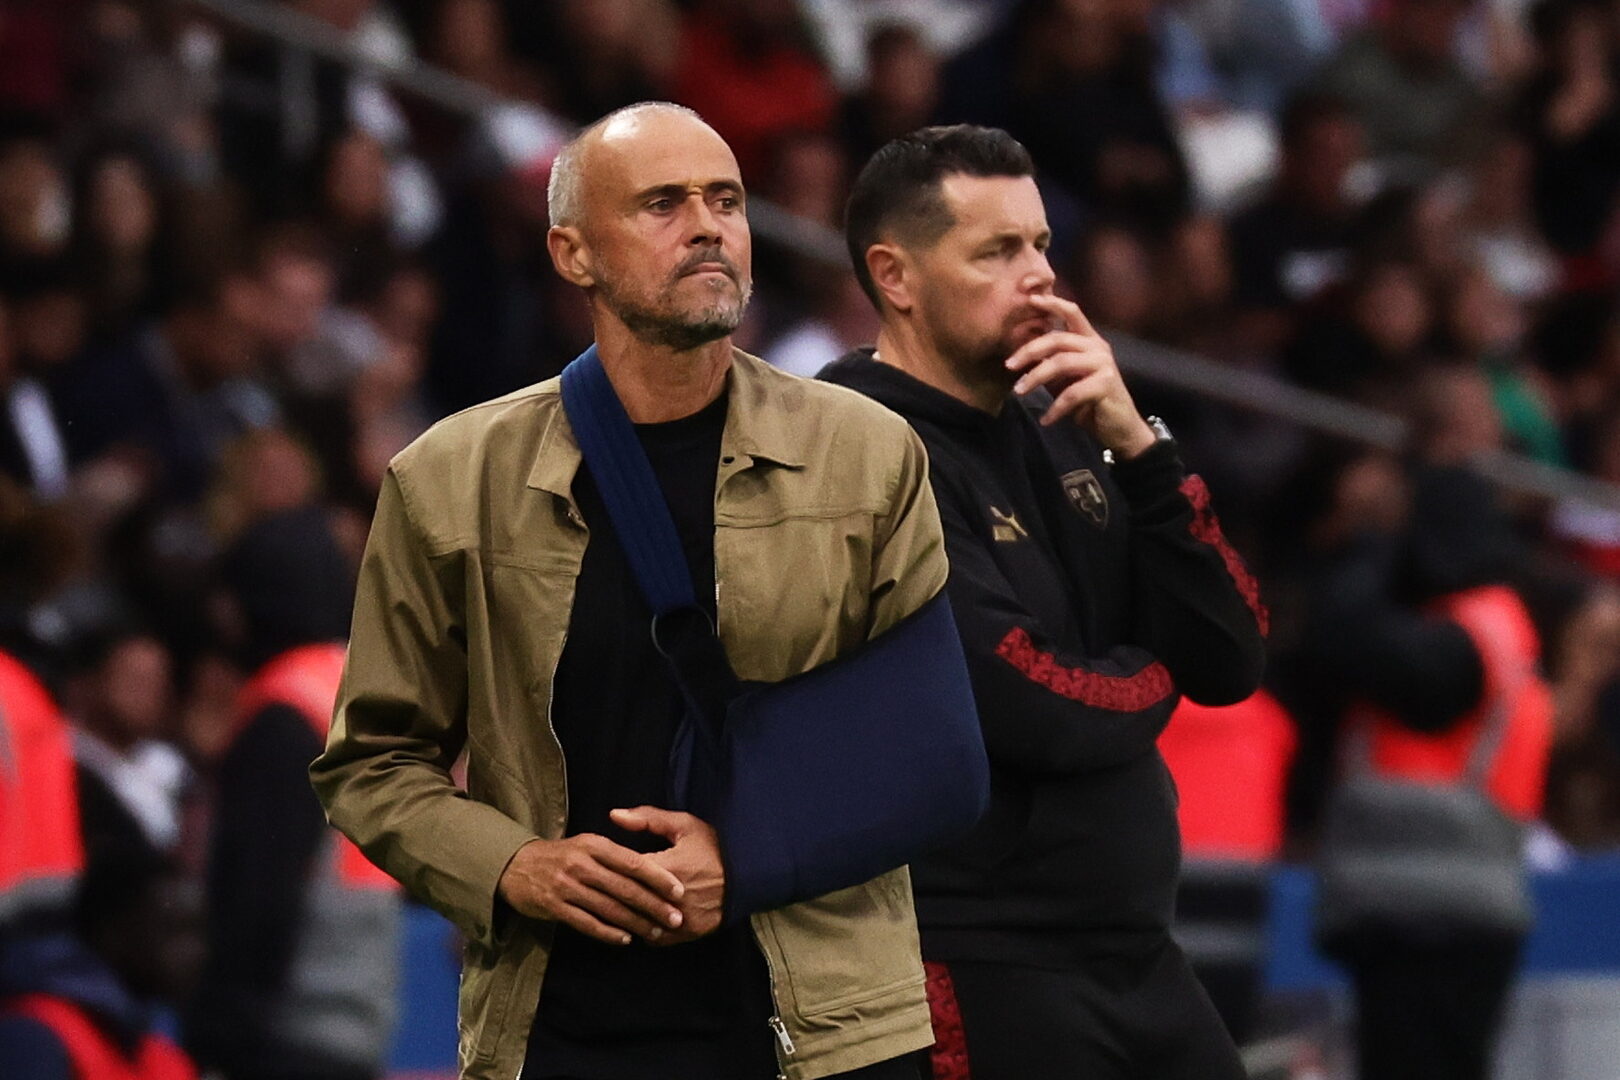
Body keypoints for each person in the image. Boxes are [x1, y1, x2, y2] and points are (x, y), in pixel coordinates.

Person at [311, 102, 958, 1080]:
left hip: (830, 1032)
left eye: (726, 201)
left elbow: (934, 751)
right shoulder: (450, 478)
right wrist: (514, 866)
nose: (708, 227)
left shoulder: (867, 455)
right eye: (663, 204)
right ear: (572, 254)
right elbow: (373, 763)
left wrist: (747, 857)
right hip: (562, 1031)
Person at [822, 125, 1269, 1079]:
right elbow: (1024, 698)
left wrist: (1141, 448)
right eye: (996, 252)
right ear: (895, 277)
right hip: (977, 952)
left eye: (1041, 244)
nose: (1039, 277)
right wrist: (1158, 674)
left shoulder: (1067, 421)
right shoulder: (860, 449)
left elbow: (1231, 655)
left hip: (1135, 946)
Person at [185, 505, 400, 1080]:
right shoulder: (353, 690)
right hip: (356, 1014)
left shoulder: (284, 712)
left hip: (284, 1028)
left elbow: (259, 889)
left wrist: (220, 1034)